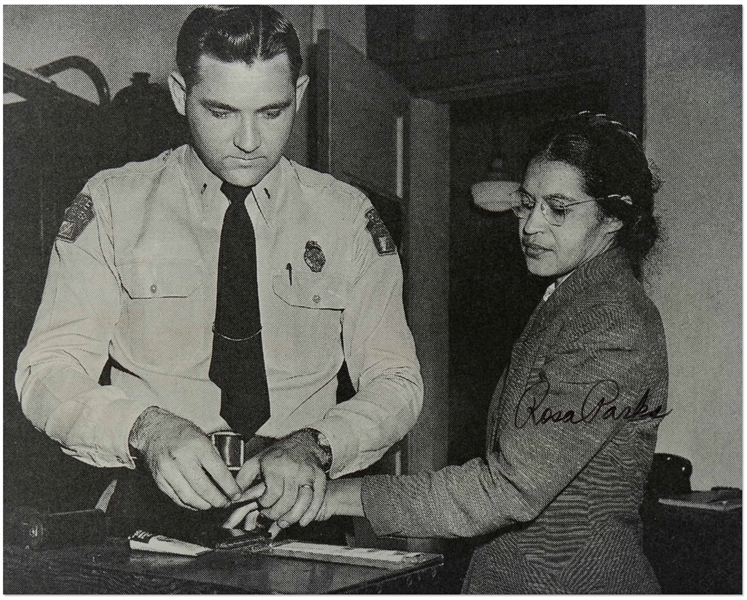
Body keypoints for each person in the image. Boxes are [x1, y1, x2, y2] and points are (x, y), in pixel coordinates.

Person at [16, 5, 422, 537]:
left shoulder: (347, 218)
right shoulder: (114, 203)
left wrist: (319, 443)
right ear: (181, 95)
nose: (249, 140)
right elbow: (46, 371)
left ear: (299, 95)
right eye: (222, 112)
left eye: (273, 112)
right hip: (150, 513)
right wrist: (146, 429)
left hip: (298, 512)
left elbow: (396, 382)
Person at [234, 112, 669, 593]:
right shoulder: (571, 300)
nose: (530, 225)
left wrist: (328, 497)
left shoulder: (610, 321)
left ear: (614, 216)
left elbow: (508, 488)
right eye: (527, 204)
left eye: (558, 208)